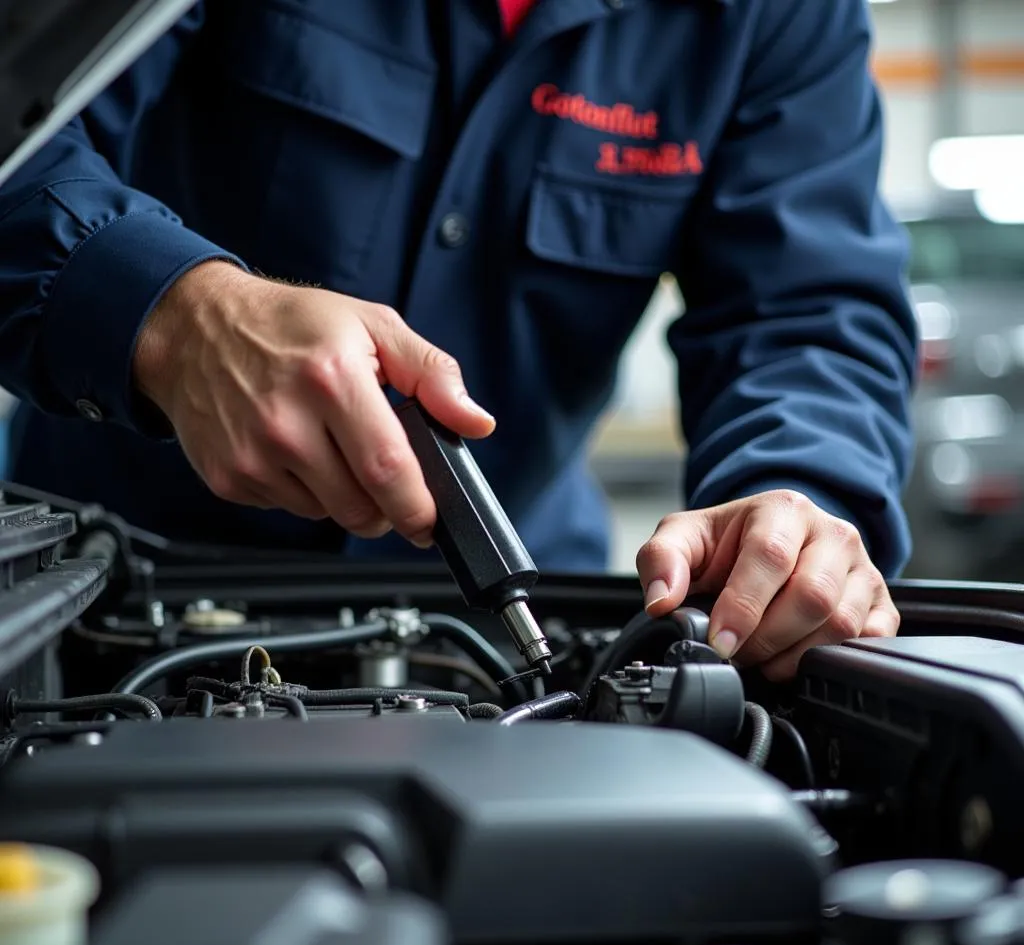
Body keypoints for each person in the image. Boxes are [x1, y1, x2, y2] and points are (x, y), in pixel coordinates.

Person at [0, 0, 916, 680]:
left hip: (512, 639)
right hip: (108, 607)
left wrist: (798, 497)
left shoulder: (779, 18)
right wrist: (177, 318)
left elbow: (806, 311)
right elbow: (19, 130)